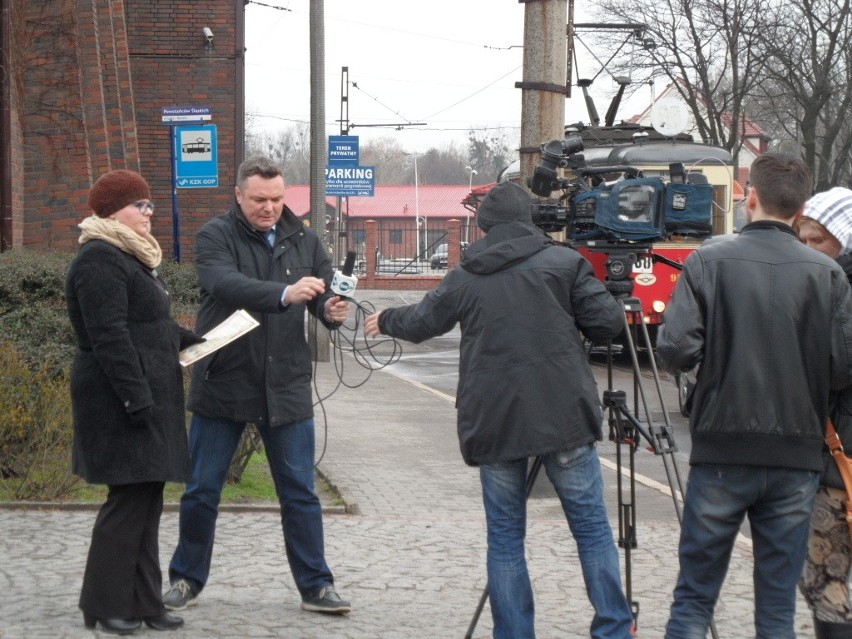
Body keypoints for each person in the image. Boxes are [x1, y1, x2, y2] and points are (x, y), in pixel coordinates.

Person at [364, 181, 635, 639]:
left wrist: (385, 319)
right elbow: (609, 325)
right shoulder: (565, 263)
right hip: (563, 415)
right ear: (529, 221)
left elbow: (424, 321)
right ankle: (612, 627)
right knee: (591, 528)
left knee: (506, 538)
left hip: (495, 420)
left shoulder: (467, 274)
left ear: (483, 225)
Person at [656, 153, 852, 639]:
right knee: (776, 606)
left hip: (722, 449)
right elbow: (842, 368)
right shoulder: (828, 276)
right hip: (795, 457)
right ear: (800, 207)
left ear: (751, 197)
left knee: (695, 597)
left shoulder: (708, 260)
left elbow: (676, 348)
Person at [163, 156, 352, 615]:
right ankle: (186, 579)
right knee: (202, 489)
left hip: (285, 384)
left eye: (277, 199)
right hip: (224, 379)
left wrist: (330, 309)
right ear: (238, 195)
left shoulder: (305, 240)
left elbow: (323, 292)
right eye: (259, 200)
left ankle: (316, 586)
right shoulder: (214, 236)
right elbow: (224, 284)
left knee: (300, 493)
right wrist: (284, 294)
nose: (269, 208)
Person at [66, 169, 203, 634]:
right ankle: (103, 606)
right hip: (119, 400)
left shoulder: (130, 257)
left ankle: (144, 602)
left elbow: (148, 325)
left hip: (146, 394)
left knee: (146, 501)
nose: (149, 213)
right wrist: (136, 398)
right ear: (111, 211)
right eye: (139, 205)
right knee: (126, 504)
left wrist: (190, 339)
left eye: (149, 204)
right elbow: (110, 338)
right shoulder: (98, 260)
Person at [795, 186, 852, 639]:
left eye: (820, 240)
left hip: (838, 464)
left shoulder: (835, 290)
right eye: (805, 240)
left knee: (826, 584)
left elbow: (835, 372)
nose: (810, 250)